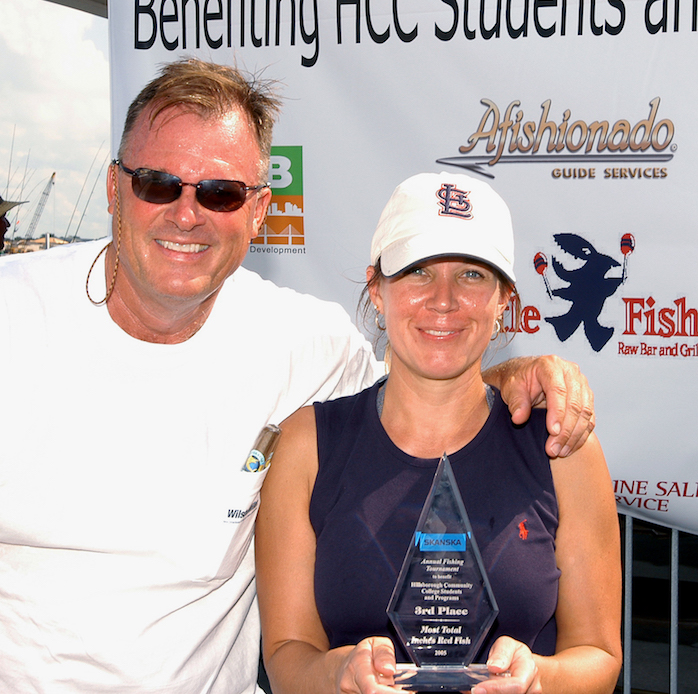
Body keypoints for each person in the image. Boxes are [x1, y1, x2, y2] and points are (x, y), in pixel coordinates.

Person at [0, 60, 595, 694]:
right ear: (115, 189)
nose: (187, 213)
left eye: (219, 192)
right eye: (158, 184)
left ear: (258, 211)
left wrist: (525, 374)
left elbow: (430, 379)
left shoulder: (301, 344)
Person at [255, 172, 622, 694]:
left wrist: (540, 678)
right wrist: (339, 675)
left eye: (472, 275)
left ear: (504, 301)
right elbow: (288, 655)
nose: (444, 299)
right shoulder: (307, 447)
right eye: (418, 272)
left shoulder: (561, 448)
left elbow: (601, 657)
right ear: (376, 290)